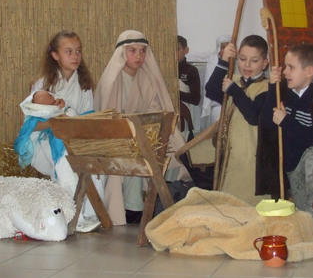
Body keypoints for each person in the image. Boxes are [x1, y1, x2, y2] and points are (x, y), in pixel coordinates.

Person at [94, 30, 188, 225]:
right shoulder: (111, 81)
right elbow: (106, 117)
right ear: (122, 52)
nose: (138, 56)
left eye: (143, 51)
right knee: (132, 159)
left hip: (143, 136)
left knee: (169, 143)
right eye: (133, 50)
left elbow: (156, 111)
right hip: (115, 140)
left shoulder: (148, 79)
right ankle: (131, 210)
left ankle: (143, 206)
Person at [21, 31, 103, 233]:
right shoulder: (43, 85)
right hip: (44, 141)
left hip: (75, 138)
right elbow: (31, 124)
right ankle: (73, 215)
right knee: (67, 161)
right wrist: (57, 121)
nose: (75, 56)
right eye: (69, 51)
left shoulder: (83, 85)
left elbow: (86, 117)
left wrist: (74, 123)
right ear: (55, 55)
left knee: (96, 158)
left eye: (78, 51)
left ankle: (93, 213)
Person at [204, 35, 269, 204]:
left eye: (254, 61)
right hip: (232, 155)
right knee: (231, 201)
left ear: (265, 63)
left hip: (253, 157)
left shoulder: (267, 88)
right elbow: (211, 90)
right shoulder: (234, 82)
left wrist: (235, 91)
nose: (247, 65)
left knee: (251, 202)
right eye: (242, 59)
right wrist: (224, 61)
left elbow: (253, 116)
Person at [263, 44, 313, 216]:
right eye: (285, 66)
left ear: (309, 71)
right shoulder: (285, 90)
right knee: (299, 211)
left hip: (309, 166)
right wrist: (273, 87)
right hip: (289, 166)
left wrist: (286, 122)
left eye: (291, 67)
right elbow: (267, 124)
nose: (285, 72)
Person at [201, 34, 231, 130]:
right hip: (218, 107)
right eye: (223, 48)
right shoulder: (213, 65)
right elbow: (210, 90)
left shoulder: (239, 65)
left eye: (228, 47)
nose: (226, 51)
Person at [177, 35, 200, 140]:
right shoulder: (162, 71)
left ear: (186, 50)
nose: (174, 53)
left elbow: (196, 99)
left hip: (183, 116)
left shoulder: (191, 71)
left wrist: (175, 94)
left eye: (177, 49)